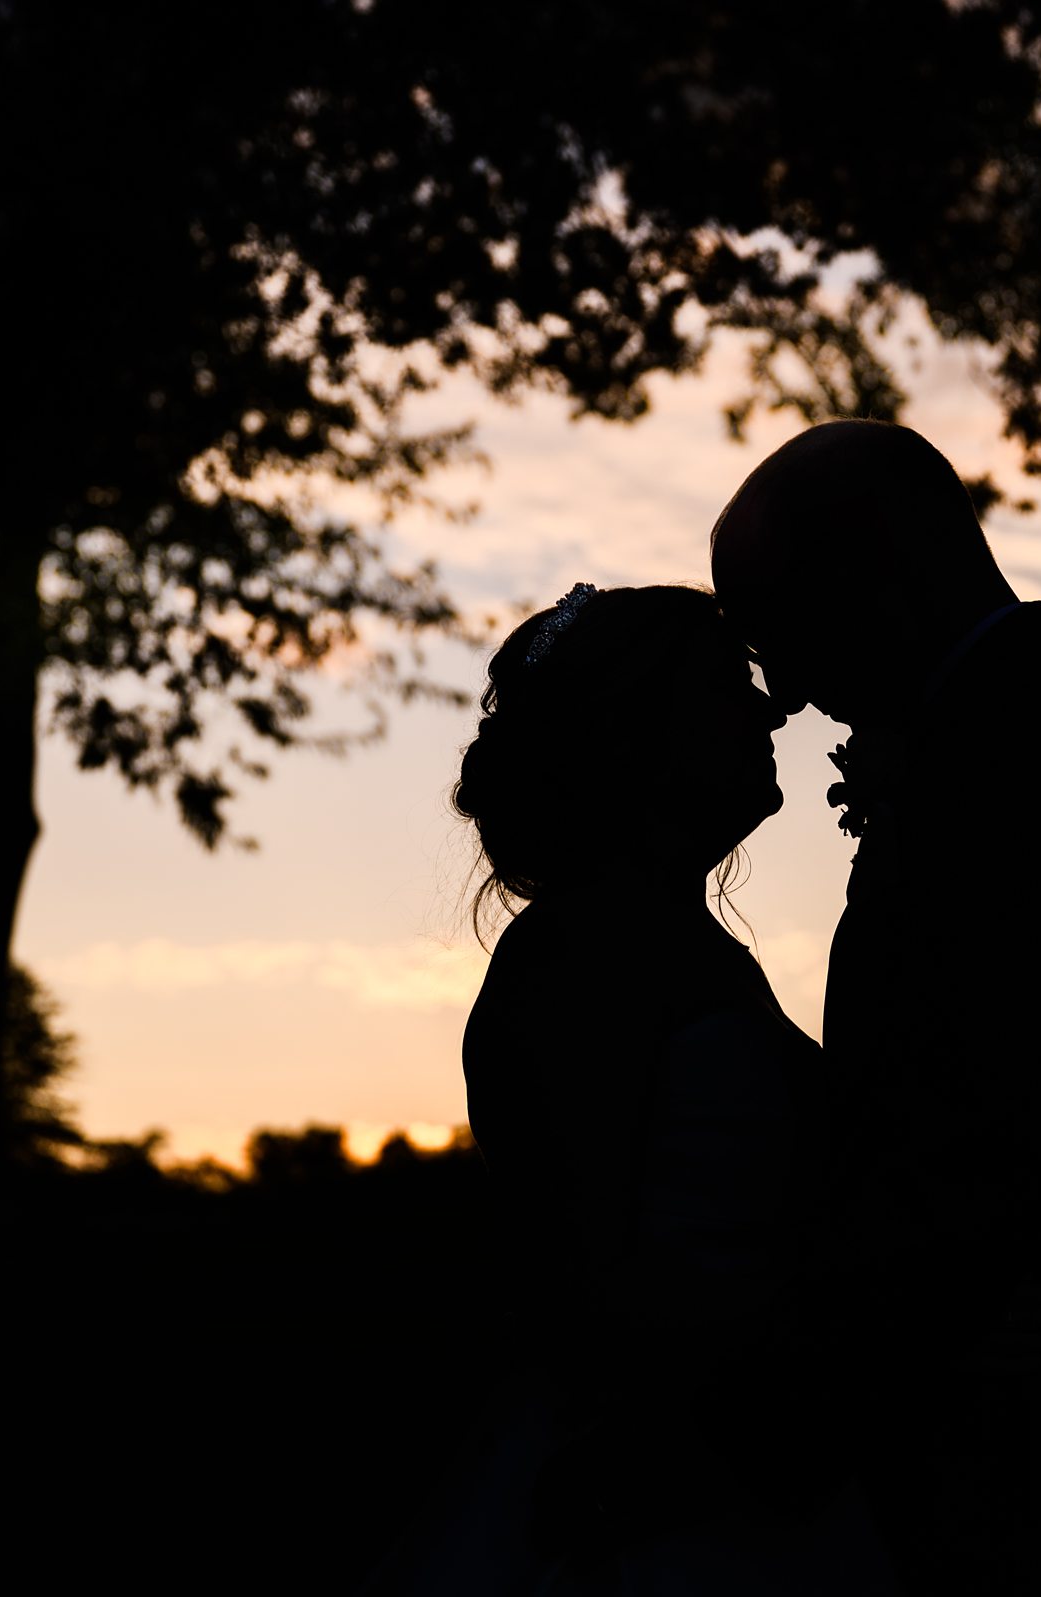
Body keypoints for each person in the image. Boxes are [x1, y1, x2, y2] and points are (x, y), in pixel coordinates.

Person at [710, 419, 1041, 1591]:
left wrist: (840, 1367)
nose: (781, 691)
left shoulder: (1038, 746)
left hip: (1014, 1410)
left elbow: (999, 1117)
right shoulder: (1001, 726)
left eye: (777, 628)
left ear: (877, 570)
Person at [367, 583, 895, 1594]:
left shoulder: (665, 939)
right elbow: (577, 1276)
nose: (769, 709)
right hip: (664, 1480)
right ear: (641, 735)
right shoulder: (581, 959)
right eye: (728, 685)